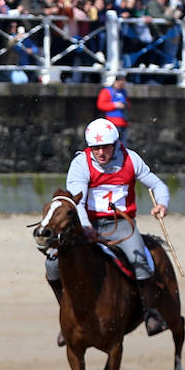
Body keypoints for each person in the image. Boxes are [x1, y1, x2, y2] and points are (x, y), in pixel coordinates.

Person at [47, 118, 171, 344]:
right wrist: (86, 229)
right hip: (89, 225)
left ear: (115, 144)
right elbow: (77, 204)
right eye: (95, 148)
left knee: (141, 261)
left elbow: (157, 185)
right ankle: (67, 318)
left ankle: (150, 313)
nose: (101, 153)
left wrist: (161, 203)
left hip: (122, 225)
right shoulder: (81, 164)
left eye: (105, 147)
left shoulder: (131, 159)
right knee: (52, 265)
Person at [95, 74, 129, 142]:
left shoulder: (124, 92)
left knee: (123, 146)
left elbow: (127, 104)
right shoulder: (107, 91)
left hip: (123, 122)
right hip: (112, 123)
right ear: (116, 82)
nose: (121, 86)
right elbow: (100, 105)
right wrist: (115, 105)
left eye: (123, 84)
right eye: (120, 83)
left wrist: (125, 105)